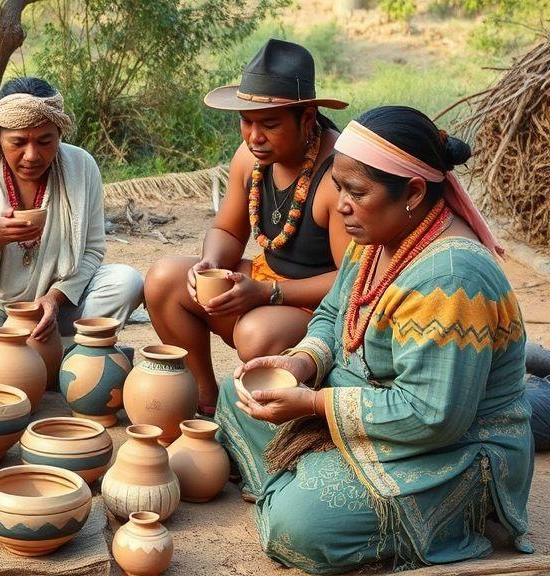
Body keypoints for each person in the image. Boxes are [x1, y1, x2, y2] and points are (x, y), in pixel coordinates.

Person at [216, 106, 532, 572]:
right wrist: (302, 362)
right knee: (235, 396)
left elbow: (432, 416)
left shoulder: (450, 280)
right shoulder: (374, 237)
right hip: (367, 404)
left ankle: (449, 516)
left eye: (356, 192)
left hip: (451, 447)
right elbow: (331, 314)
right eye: (338, 187)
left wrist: (314, 406)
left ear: (414, 192)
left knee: (298, 527)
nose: (340, 204)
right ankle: (306, 476)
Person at [143, 39, 352, 416]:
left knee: (255, 334)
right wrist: (209, 263)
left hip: (315, 308)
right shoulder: (251, 158)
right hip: (260, 283)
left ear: (307, 119)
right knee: (163, 279)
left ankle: (276, 413)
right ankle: (207, 400)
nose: (254, 136)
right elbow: (227, 230)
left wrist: (269, 293)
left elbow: (350, 281)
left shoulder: (336, 176)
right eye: (246, 121)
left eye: (269, 124)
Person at [0, 76, 144, 373]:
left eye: (45, 141)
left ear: (59, 134)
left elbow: (92, 251)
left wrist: (54, 298)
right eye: (18, 142)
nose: (32, 155)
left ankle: (33, 362)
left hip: (59, 304)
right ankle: (75, 358)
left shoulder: (82, 166)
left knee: (126, 282)